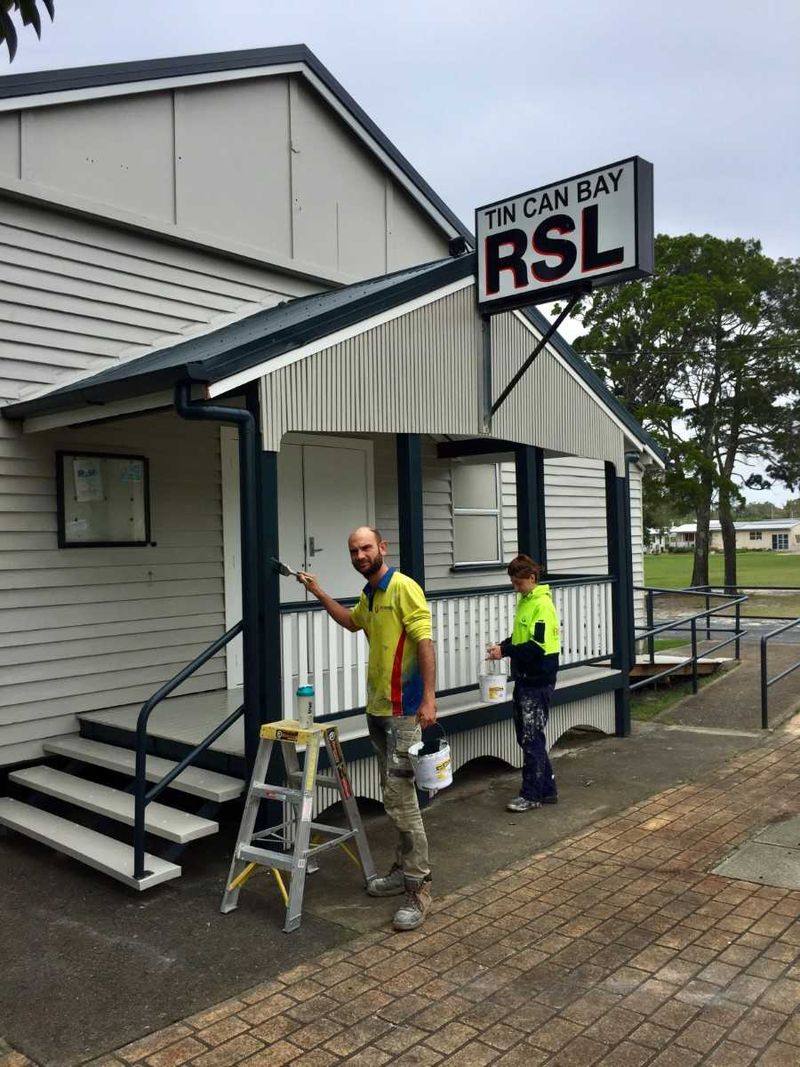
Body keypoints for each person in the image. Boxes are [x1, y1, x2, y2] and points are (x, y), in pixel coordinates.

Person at [297, 527, 436, 932]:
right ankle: (402, 869)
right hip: (377, 710)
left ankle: (418, 886)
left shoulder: (402, 588)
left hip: (404, 712)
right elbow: (351, 622)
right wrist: (319, 592)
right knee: (395, 796)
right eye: (354, 551)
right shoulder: (371, 595)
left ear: (382, 548)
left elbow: (424, 642)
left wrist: (429, 698)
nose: (360, 555)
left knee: (401, 799)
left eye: (366, 548)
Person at [487, 554, 560, 812]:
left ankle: (531, 795)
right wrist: (503, 646)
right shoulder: (526, 602)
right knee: (529, 736)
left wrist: (506, 652)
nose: (515, 587)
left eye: (518, 582)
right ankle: (547, 788)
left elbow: (536, 647)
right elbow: (520, 637)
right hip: (525, 678)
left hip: (538, 679)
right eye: (512, 582)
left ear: (532, 578)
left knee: (530, 738)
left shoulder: (542, 606)